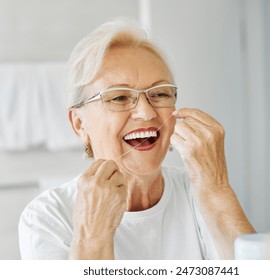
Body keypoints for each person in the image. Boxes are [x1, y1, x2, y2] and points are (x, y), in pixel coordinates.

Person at [18, 17, 255, 260]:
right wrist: (93, 236)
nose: (146, 112)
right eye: (119, 97)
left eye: (160, 93)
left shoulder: (199, 190)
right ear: (80, 125)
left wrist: (218, 189)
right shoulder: (46, 218)